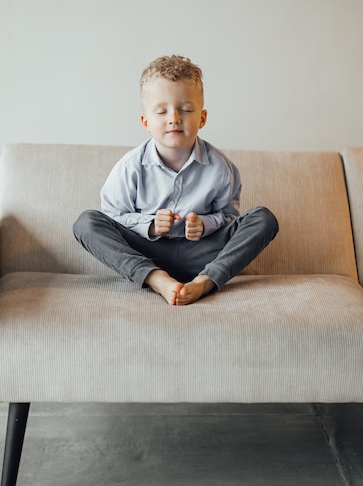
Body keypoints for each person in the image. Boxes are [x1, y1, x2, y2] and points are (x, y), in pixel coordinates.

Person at [73, 55, 278, 306]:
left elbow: (229, 219)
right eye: (162, 111)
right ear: (146, 122)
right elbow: (114, 215)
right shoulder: (130, 167)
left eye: (186, 109)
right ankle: (156, 279)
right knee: (86, 223)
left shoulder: (221, 168)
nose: (174, 118)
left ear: (202, 118)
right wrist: (150, 225)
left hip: (202, 255)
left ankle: (206, 281)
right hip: (147, 253)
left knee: (263, 218)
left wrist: (204, 224)